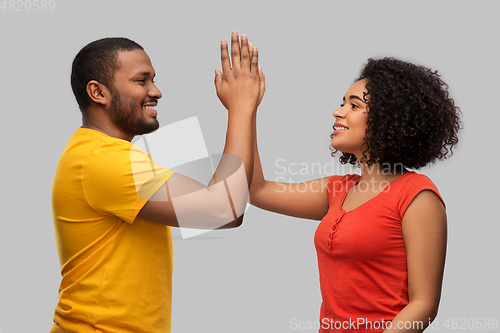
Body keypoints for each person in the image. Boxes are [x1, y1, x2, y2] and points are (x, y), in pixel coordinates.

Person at [50, 31, 264, 333]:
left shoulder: (97, 153)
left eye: (153, 80)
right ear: (98, 92)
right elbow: (224, 209)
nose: (156, 91)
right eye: (141, 81)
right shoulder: (104, 159)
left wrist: (245, 109)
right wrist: (241, 106)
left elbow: (229, 199)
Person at [249, 57, 461, 332]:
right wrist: (245, 108)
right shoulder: (338, 190)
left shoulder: (417, 195)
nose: (338, 112)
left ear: (388, 118)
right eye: (342, 103)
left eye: (354, 105)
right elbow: (255, 190)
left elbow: (423, 306)